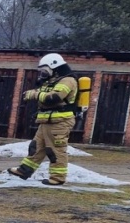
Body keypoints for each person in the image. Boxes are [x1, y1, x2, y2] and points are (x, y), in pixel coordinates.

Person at [8, 53, 79, 186]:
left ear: (54, 67)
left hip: (60, 121)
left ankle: (58, 178)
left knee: (55, 150)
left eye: (45, 70)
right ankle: (24, 170)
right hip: (48, 120)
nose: (43, 73)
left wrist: (34, 94)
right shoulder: (52, 81)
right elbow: (45, 94)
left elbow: (54, 98)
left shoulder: (67, 80)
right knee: (36, 147)